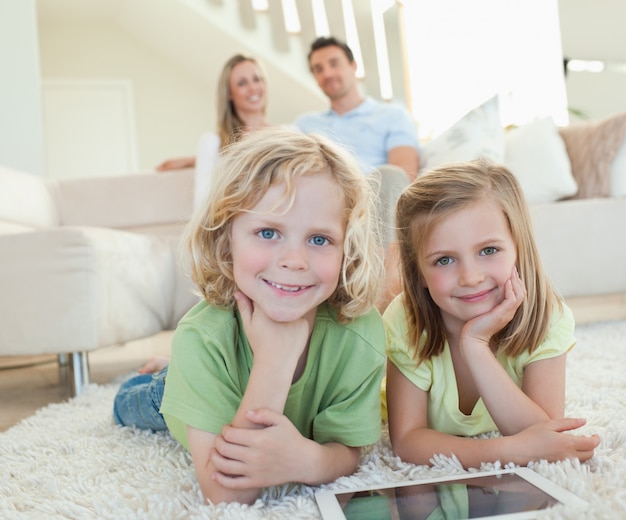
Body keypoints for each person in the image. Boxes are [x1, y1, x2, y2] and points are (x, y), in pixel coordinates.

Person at [113, 127, 387, 505]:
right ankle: (170, 374)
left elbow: (349, 448)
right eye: (268, 232)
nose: (294, 260)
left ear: (348, 249)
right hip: (172, 390)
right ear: (226, 241)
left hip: (214, 369)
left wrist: (311, 461)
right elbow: (227, 493)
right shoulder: (203, 337)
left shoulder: (359, 333)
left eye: (319, 239)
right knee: (129, 402)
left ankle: (178, 370)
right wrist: (275, 360)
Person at [384, 159, 600, 469]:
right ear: (418, 271)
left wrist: (475, 345)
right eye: (444, 260)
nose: (470, 277)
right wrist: (508, 451)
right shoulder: (406, 321)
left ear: (518, 246)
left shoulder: (547, 316)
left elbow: (545, 434)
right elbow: (407, 440)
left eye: (488, 251)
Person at [296, 36, 420, 311]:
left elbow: (404, 171)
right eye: (318, 69)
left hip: (374, 198)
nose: (327, 73)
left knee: (390, 174)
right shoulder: (306, 125)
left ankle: (388, 285)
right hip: (324, 200)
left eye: (333, 64)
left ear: (353, 66)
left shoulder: (391, 115)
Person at [156, 54, 271, 208]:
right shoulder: (212, 143)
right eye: (242, 83)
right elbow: (202, 205)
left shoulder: (288, 134)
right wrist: (203, 157)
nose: (252, 88)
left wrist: (192, 160)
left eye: (257, 79)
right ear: (229, 93)